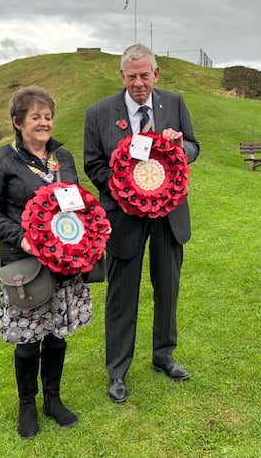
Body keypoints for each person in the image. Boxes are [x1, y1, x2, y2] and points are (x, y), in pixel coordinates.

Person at [83, 44, 200, 403]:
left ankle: (164, 356)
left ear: (156, 74)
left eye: (144, 75)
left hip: (169, 215)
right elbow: (92, 163)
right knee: (122, 295)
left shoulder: (174, 103)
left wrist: (180, 148)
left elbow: (194, 147)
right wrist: (122, 187)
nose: (138, 83)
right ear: (121, 76)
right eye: (131, 76)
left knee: (168, 288)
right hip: (124, 217)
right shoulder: (99, 112)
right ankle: (117, 370)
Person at [0, 86, 86, 439]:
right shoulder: (1, 160)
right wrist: (24, 238)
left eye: (48, 116)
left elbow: (77, 202)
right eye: (35, 117)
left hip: (64, 264)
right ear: (17, 122)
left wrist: (86, 235)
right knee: (28, 341)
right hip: (25, 266)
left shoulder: (63, 158)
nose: (44, 123)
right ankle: (28, 406)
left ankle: (53, 400)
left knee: (56, 336)